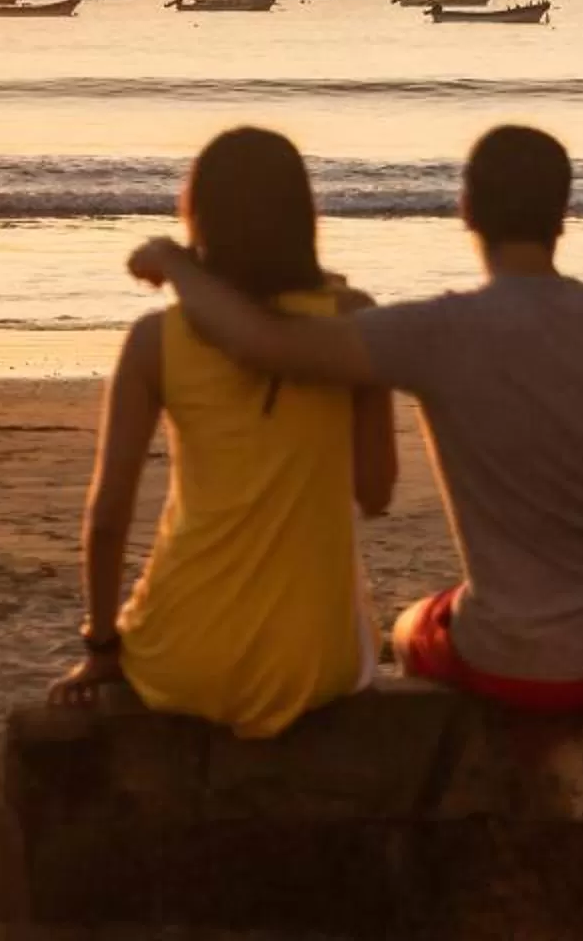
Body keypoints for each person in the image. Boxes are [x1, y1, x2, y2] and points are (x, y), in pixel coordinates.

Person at [133, 125, 583, 714]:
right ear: (562, 214)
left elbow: (262, 344)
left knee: (407, 629)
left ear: (466, 209)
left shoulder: (432, 334)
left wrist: (174, 264)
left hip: (526, 661)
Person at [47, 128, 398, 739]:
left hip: (181, 652)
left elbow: (107, 517)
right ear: (302, 217)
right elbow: (375, 491)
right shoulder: (355, 319)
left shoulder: (155, 342)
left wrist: (102, 646)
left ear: (198, 217)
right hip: (314, 660)